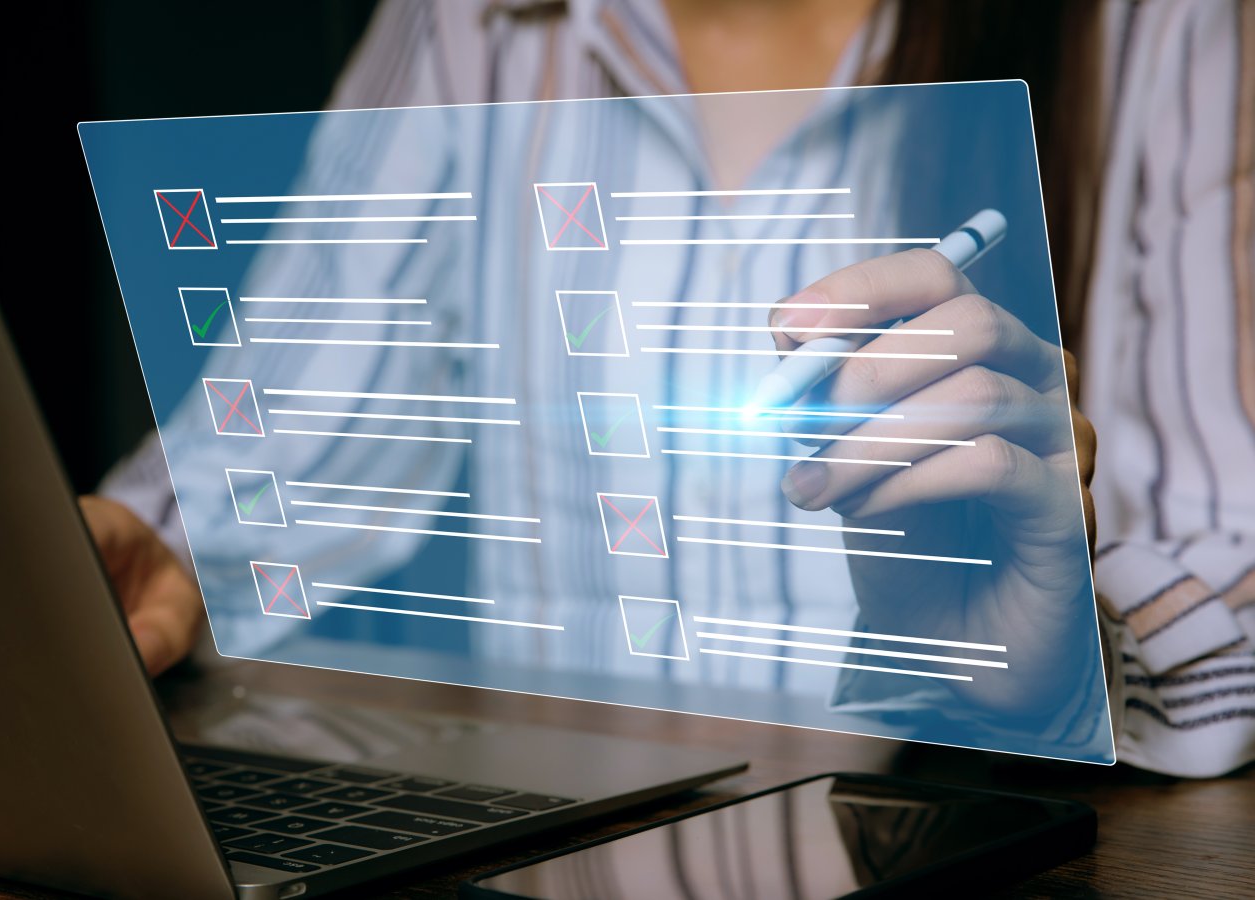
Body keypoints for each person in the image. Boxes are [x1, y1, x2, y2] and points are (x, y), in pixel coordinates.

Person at [85, 0, 1255, 777]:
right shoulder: (472, 24)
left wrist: (1069, 669)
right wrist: (158, 550)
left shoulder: (1151, 30)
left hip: (968, 844)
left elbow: (1231, 543)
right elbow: (295, 411)